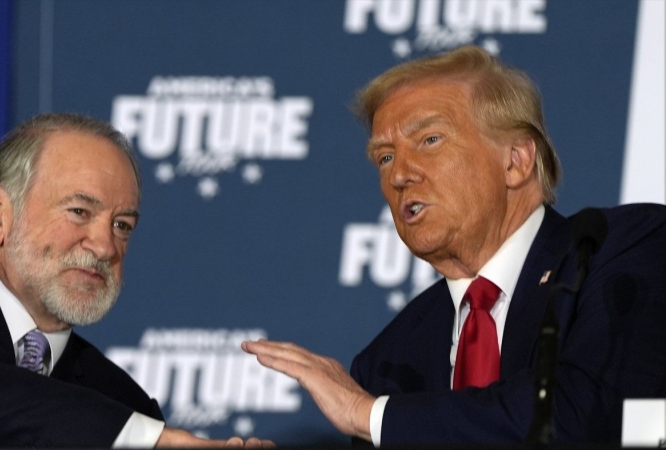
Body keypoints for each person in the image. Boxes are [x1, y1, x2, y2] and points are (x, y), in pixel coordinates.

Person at [242, 45, 666, 445]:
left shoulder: (620, 250)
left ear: (515, 160)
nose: (400, 175)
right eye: (385, 157)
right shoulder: (388, 360)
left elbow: (583, 414)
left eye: (429, 141)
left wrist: (373, 416)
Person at [0, 113, 272, 448]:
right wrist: (143, 440)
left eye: (122, 225)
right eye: (79, 211)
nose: (105, 246)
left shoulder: (121, 402)